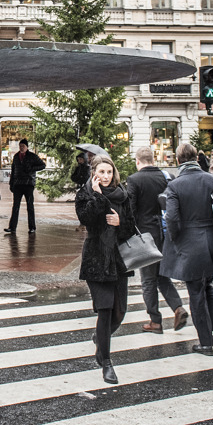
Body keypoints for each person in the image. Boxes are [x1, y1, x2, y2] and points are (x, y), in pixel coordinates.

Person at [162, 143, 213, 356]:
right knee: (207, 286)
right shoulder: (212, 180)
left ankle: (205, 343)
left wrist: (175, 238)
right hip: (211, 240)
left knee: (196, 292)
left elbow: (171, 218)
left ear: (179, 160)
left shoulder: (175, 185)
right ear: (196, 159)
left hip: (190, 243)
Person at [76, 153, 135, 384]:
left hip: (118, 258)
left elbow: (131, 226)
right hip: (96, 257)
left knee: (121, 311)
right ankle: (106, 362)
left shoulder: (123, 195)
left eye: (109, 172)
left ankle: (100, 340)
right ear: (94, 174)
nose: (106, 176)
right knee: (105, 309)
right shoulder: (85, 194)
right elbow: (86, 220)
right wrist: (99, 198)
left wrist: (121, 223)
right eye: (101, 172)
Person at [126, 145, 188, 332]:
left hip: (146, 235)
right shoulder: (166, 177)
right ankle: (178, 307)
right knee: (162, 276)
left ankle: (155, 321)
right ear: (153, 159)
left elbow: (130, 210)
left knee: (148, 280)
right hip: (165, 233)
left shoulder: (134, 179)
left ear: (138, 161)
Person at [5, 139, 45, 235]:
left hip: (28, 184)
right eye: (20, 146)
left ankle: (32, 227)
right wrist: (11, 184)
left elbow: (42, 165)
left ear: (27, 147)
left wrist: (32, 169)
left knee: (30, 206)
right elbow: (13, 170)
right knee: (15, 206)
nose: (21, 148)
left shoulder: (32, 156)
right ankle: (12, 227)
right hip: (18, 184)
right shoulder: (16, 156)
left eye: (23, 146)